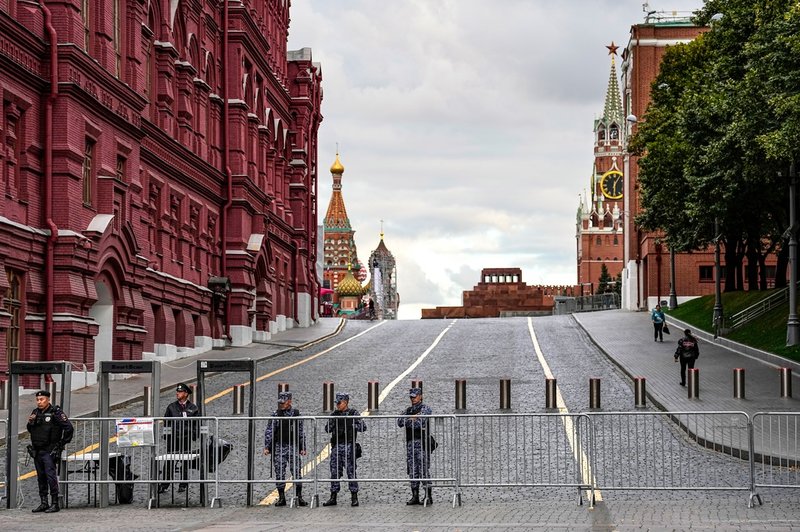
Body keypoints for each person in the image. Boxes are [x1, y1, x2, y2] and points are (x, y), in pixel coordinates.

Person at [27, 390, 73, 513]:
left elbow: (68, 428)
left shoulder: (55, 412)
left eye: (42, 399)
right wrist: (31, 422)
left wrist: (61, 444)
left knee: (51, 476)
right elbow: (31, 429)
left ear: (48, 400)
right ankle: (44, 502)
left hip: (49, 451)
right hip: (37, 450)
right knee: (41, 477)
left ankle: (55, 503)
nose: (39, 402)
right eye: (37, 400)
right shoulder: (35, 412)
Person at [322, 392, 366, 507]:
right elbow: (327, 428)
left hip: (349, 446)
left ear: (345, 402)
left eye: (339, 403)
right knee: (334, 472)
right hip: (337, 447)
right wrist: (333, 422)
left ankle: (354, 496)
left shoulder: (353, 413)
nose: (337, 405)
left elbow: (363, 427)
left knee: (351, 472)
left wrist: (351, 424)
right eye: (336, 403)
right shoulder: (335, 414)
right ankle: (333, 496)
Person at [264, 392, 308, 507]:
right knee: (279, 473)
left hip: (293, 446)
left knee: (297, 472)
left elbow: (300, 432)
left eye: (283, 402)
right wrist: (267, 447)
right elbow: (270, 431)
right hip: (279, 447)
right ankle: (282, 497)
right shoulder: (275, 414)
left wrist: (302, 447)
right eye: (280, 403)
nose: (281, 405)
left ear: (289, 401)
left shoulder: (296, 414)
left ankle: (299, 497)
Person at [159, 382, 200, 494]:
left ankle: (183, 484)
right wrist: (167, 436)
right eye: (177, 391)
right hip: (173, 438)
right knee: (169, 462)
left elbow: (197, 423)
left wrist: (194, 435)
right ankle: (165, 484)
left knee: (185, 461)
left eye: (180, 392)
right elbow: (166, 422)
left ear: (186, 394)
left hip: (185, 438)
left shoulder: (193, 408)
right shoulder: (171, 407)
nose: (178, 393)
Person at [397, 387, 434, 506]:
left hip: (422, 444)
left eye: (415, 396)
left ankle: (428, 495)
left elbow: (420, 423)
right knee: (412, 471)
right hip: (410, 444)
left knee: (423, 470)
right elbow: (399, 422)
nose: (413, 399)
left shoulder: (425, 409)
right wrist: (412, 417)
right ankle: (415, 495)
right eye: (411, 397)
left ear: (420, 396)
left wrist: (412, 419)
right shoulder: (408, 410)